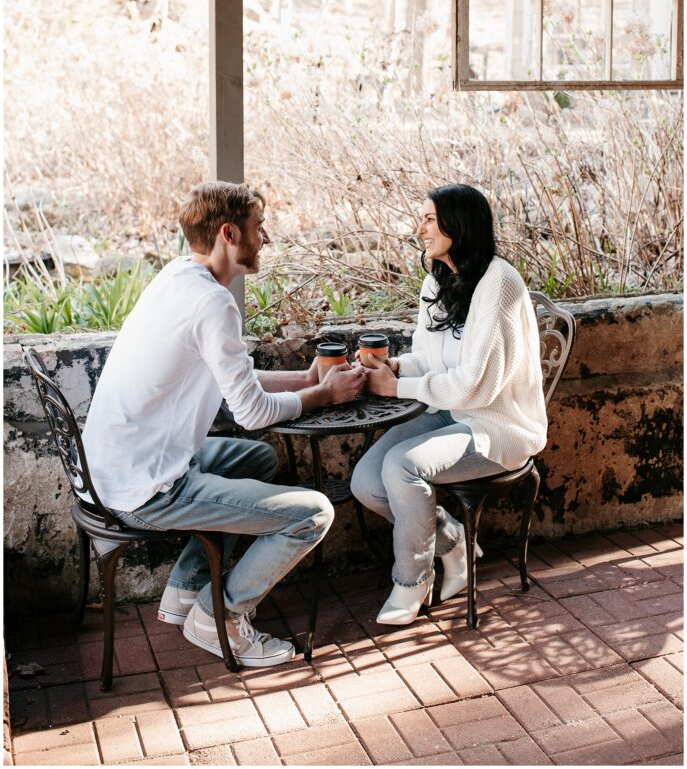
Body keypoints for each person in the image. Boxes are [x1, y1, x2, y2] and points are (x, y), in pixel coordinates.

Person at [82, 181, 366, 666]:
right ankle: (221, 617)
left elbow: (235, 384)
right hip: (146, 490)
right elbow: (251, 414)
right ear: (229, 234)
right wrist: (322, 394)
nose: (266, 239)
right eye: (260, 228)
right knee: (313, 513)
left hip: (111, 468)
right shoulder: (214, 303)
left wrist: (303, 377)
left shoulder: (177, 277)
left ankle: (186, 588)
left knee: (255, 459)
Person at [350, 183, 546, 625]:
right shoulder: (436, 280)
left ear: (459, 225)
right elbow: (427, 358)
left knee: (402, 466)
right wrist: (394, 368)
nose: (419, 229)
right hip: (451, 412)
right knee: (366, 480)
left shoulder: (500, 283)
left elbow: (477, 385)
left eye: (429, 219)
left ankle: (413, 581)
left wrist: (395, 390)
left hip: (496, 424)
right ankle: (454, 543)